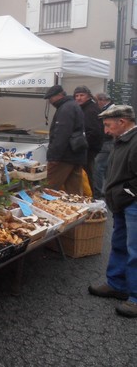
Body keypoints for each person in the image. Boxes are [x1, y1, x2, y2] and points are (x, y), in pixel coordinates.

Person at [88, 104, 137, 318]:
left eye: (108, 126)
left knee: (135, 251)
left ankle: (135, 297)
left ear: (122, 122)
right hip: (122, 202)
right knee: (118, 244)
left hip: (132, 204)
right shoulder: (122, 140)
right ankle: (117, 284)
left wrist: (127, 193)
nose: (106, 131)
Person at [43, 84, 86, 195]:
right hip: (75, 154)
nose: (50, 101)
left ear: (59, 95)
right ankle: (78, 209)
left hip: (64, 156)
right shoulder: (73, 105)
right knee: (74, 191)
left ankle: (46, 210)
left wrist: (54, 157)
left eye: (51, 98)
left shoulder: (66, 108)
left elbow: (61, 134)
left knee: (49, 188)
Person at [74, 86, 103, 191]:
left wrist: (83, 145)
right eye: (76, 95)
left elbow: (94, 132)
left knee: (87, 175)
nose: (79, 98)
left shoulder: (90, 110)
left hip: (88, 149)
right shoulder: (85, 108)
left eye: (82, 95)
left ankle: (91, 196)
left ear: (88, 96)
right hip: (89, 148)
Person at [93, 92, 114, 199]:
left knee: (98, 167)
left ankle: (98, 193)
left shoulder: (109, 110)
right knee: (106, 167)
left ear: (102, 100)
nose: (96, 104)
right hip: (110, 142)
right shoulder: (111, 108)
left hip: (107, 142)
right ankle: (106, 190)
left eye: (97, 101)